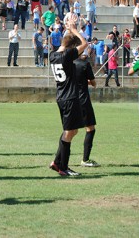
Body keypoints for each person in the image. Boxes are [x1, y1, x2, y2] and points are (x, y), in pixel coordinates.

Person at [48, 14, 88, 177]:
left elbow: (64, 44)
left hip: (61, 96)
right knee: (69, 132)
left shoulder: (53, 55)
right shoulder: (66, 56)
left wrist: (67, 31)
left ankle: (57, 162)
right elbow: (84, 43)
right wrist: (73, 30)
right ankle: (62, 166)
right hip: (70, 97)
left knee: (71, 131)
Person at [74, 53, 99, 167]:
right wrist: (87, 81)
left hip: (70, 99)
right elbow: (93, 83)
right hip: (83, 100)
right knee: (90, 129)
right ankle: (85, 159)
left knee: (69, 131)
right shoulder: (85, 64)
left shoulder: (68, 63)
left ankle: (59, 160)